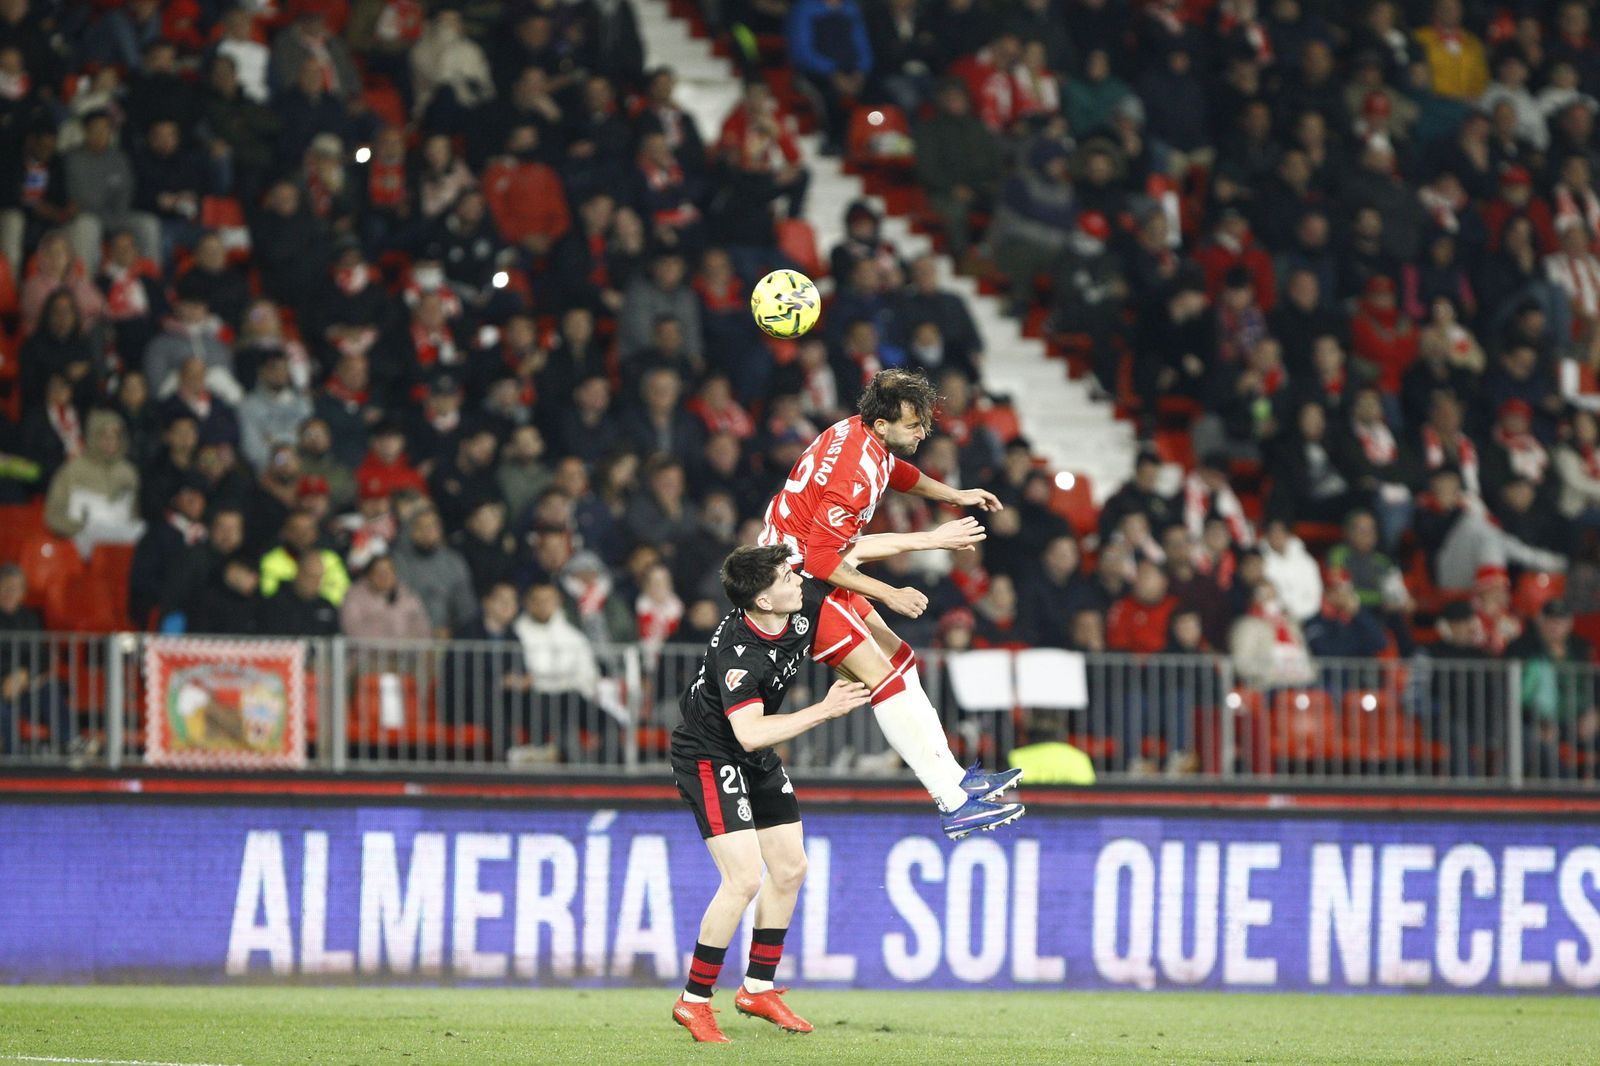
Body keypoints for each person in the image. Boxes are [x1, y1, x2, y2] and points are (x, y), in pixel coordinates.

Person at [756, 368, 1024, 837]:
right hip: (794, 584)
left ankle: (953, 779)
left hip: (808, 569)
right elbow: (821, 560)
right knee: (882, 677)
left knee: (900, 660)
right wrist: (889, 592)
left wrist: (955, 495)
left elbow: (899, 473)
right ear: (883, 425)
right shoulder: (853, 475)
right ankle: (951, 802)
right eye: (914, 425)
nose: (923, 432)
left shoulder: (858, 434)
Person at [668, 545, 872, 1043]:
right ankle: (694, 1002)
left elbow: (856, 553)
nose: (797, 580)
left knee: (790, 868)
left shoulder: (795, 605)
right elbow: (750, 733)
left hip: (751, 756)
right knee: (742, 879)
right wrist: (825, 710)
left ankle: (758, 988)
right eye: (786, 577)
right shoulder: (741, 653)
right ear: (762, 601)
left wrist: (934, 538)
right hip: (712, 756)